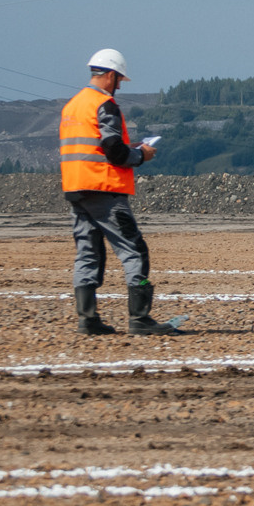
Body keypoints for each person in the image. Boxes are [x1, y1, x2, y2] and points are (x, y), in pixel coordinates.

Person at [59, 49, 167, 336]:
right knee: (134, 250)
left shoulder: (72, 106)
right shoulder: (104, 105)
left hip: (75, 189)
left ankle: (88, 319)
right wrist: (141, 155)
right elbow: (115, 151)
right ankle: (140, 318)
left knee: (87, 253)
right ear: (110, 75)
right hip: (104, 188)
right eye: (118, 79)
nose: (119, 85)